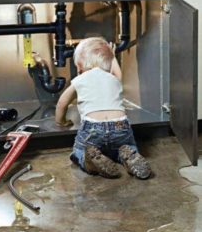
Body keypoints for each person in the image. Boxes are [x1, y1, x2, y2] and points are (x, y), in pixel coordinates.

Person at [55, 37, 151, 179]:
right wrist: (113, 58)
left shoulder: (79, 80)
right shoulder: (113, 79)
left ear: (80, 64)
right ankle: (129, 156)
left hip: (93, 129)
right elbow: (118, 73)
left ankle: (90, 162)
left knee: (79, 150)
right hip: (120, 126)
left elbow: (62, 103)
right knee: (125, 146)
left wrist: (61, 121)